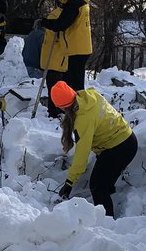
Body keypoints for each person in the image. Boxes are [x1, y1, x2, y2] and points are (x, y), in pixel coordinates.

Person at [51, 81, 138, 218]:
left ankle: (107, 223)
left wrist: (69, 183)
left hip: (120, 147)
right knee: (103, 181)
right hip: (124, 139)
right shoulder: (89, 96)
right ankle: (109, 206)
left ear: (62, 108)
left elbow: (82, 155)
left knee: (98, 186)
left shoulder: (83, 120)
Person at [39, 0, 92, 116]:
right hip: (81, 48)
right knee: (73, 82)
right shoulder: (80, 0)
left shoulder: (74, 4)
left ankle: (77, 112)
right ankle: (73, 110)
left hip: (76, 49)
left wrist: (44, 22)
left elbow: (61, 24)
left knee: (73, 84)